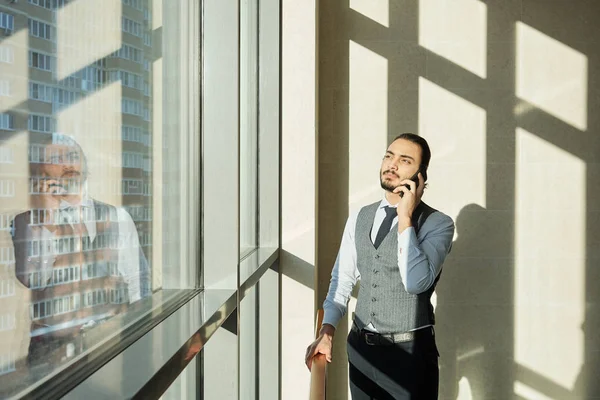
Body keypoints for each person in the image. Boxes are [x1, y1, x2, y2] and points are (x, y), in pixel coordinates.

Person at [305, 133, 455, 399]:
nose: (392, 164)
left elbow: (416, 282)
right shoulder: (360, 218)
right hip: (360, 350)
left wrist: (405, 216)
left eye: (405, 160)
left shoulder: (438, 224)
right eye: (389, 155)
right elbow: (341, 281)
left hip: (410, 356)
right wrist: (327, 331)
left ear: (421, 176)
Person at [9, 133, 151, 369]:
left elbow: (139, 282)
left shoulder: (117, 216)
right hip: (51, 354)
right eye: (57, 158)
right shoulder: (27, 223)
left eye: (73, 156)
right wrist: (48, 216)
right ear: (42, 172)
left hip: (110, 343)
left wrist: (142, 335)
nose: (68, 163)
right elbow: (35, 279)